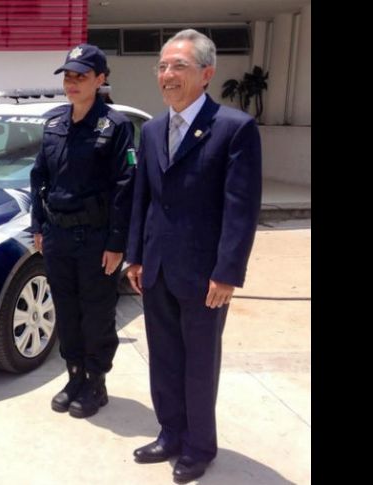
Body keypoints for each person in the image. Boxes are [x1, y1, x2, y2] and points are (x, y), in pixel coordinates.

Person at [125, 29, 262, 483]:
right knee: (163, 357)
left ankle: (200, 446)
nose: (167, 74)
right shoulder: (152, 130)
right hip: (158, 267)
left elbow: (240, 210)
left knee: (199, 363)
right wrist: (135, 257)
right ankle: (170, 434)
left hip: (205, 276)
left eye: (178, 66)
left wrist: (227, 273)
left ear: (207, 73)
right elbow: (141, 199)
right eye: (162, 66)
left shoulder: (234, 129)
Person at [30, 44, 135, 419]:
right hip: (58, 236)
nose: (72, 83)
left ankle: (96, 382)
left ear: (101, 79)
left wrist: (117, 243)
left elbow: (125, 187)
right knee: (67, 311)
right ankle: (74, 376)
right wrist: (37, 225)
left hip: (95, 238)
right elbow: (38, 176)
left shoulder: (116, 126)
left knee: (96, 313)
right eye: (69, 77)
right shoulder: (54, 123)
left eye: (82, 76)